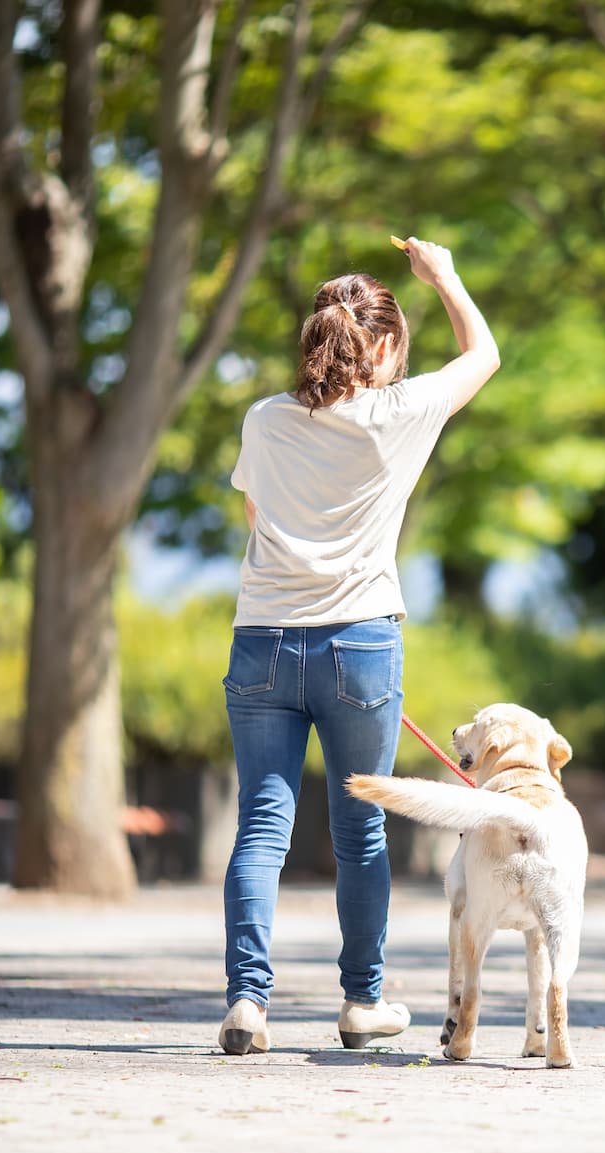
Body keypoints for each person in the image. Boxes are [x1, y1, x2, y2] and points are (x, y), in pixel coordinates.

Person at [216, 239, 500, 1056]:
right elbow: (484, 353)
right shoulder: (400, 413)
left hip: (263, 639)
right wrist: (444, 274)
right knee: (360, 834)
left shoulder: (265, 419)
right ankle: (361, 1002)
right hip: (359, 644)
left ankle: (247, 1002)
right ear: (382, 348)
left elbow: (256, 521)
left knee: (261, 829)